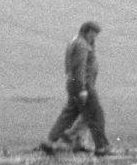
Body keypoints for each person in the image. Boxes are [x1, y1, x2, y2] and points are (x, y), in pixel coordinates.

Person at [40, 21, 111, 156]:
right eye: (95, 34)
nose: (95, 37)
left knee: (68, 115)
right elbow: (80, 68)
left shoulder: (76, 41)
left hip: (73, 84)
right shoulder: (82, 45)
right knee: (96, 115)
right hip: (83, 86)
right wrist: (82, 88)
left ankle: (49, 141)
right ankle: (101, 148)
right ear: (89, 32)